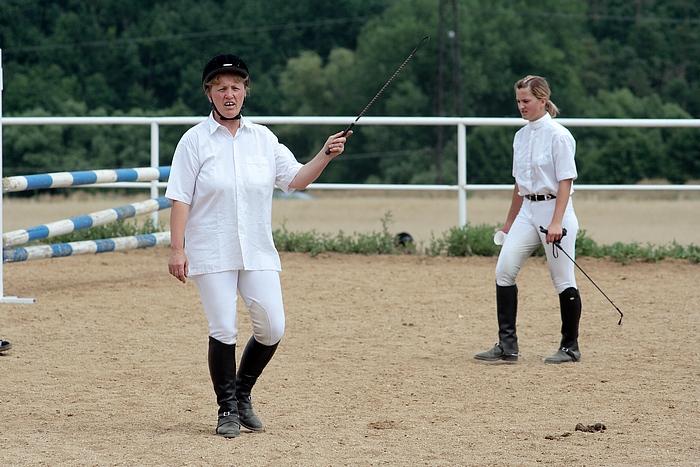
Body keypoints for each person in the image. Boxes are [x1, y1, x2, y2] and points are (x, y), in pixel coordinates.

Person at [166, 53, 351, 438]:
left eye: (235, 87)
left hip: (256, 249)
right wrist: (177, 249)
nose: (228, 94)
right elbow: (180, 197)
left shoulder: (264, 139)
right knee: (224, 327)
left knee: (273, 326)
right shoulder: (194, 141)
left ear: (245, 92)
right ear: (209, 93)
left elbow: (297, 180)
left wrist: (325, 154)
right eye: (220, 88)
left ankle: (243, 391)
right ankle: (227, 409)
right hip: (211, 248)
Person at [474, 75, 582, 365]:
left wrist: (557, 222)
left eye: (526, 101)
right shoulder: (520, 136)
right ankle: (507, 345)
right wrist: (509, 222)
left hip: (553, 211)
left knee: (562, 279)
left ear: (542, 101)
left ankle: (570, 347)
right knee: (504, 270)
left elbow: (565, 182)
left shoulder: (559, 135)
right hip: (527, 210)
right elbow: (518, 184)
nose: (521, 106)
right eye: (518, 101)